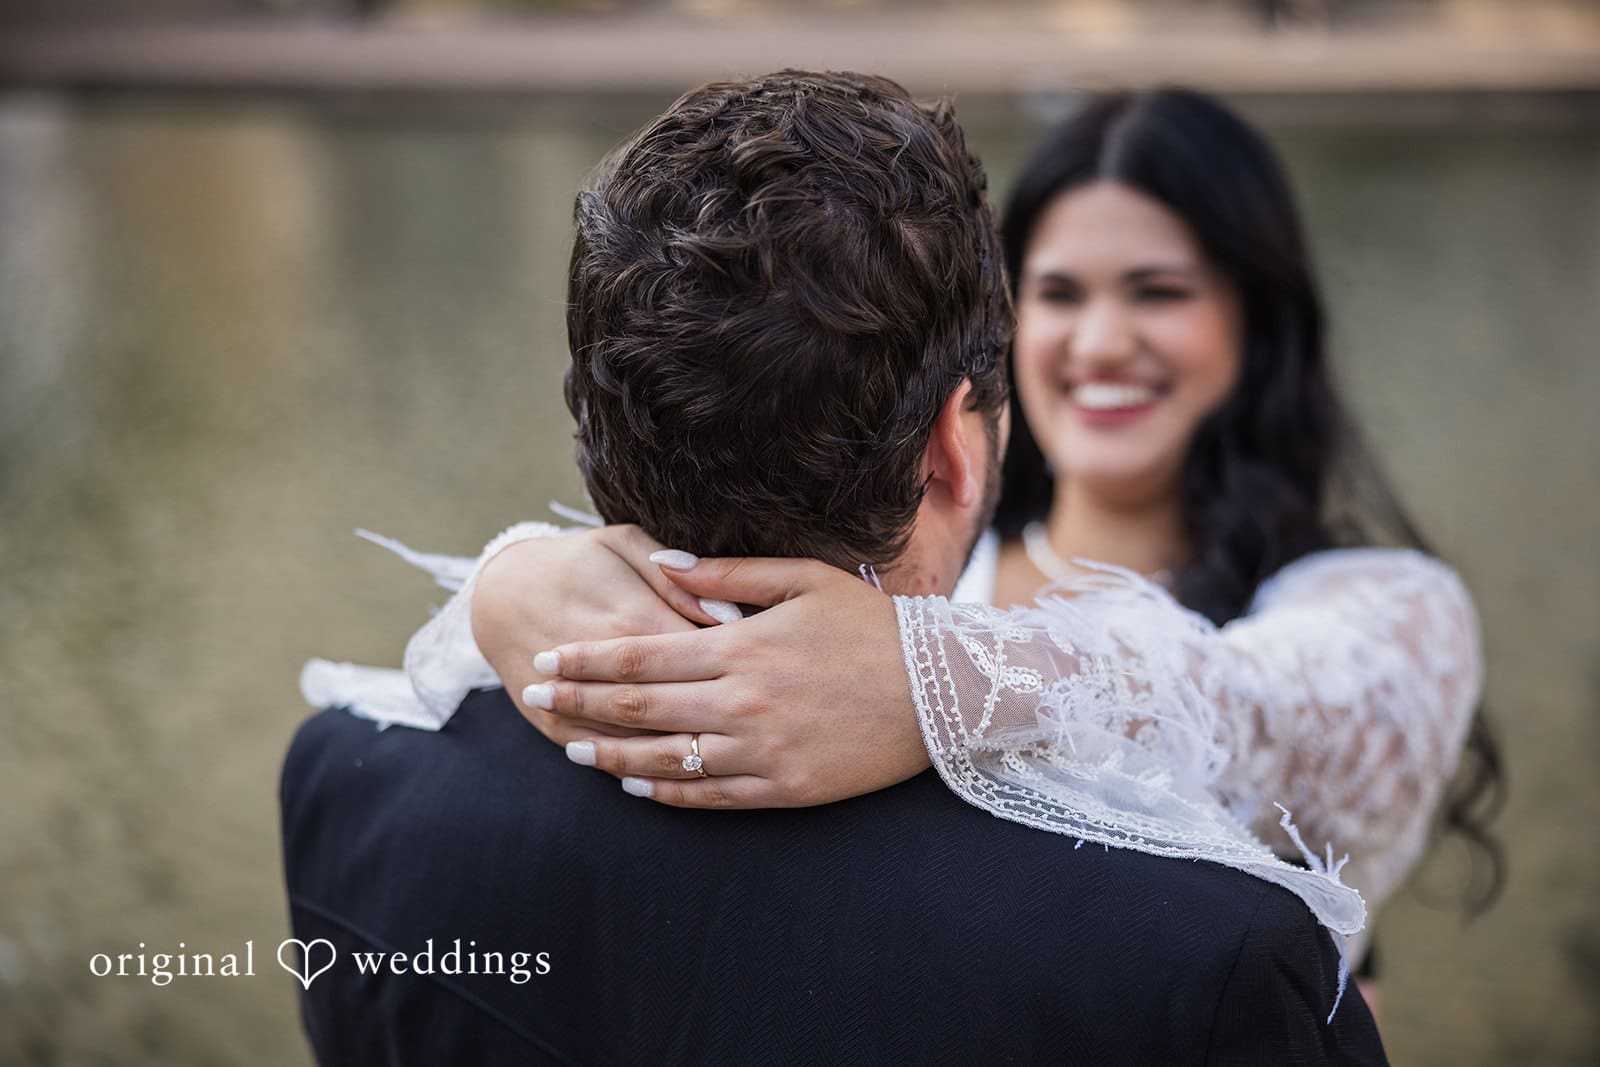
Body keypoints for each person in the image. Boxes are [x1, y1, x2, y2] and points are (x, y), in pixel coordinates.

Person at [288, 70, 1385, 1063]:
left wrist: (509, 571)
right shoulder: (1213, 957)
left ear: (603, 418)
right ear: (956, 440)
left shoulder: (346, 775)